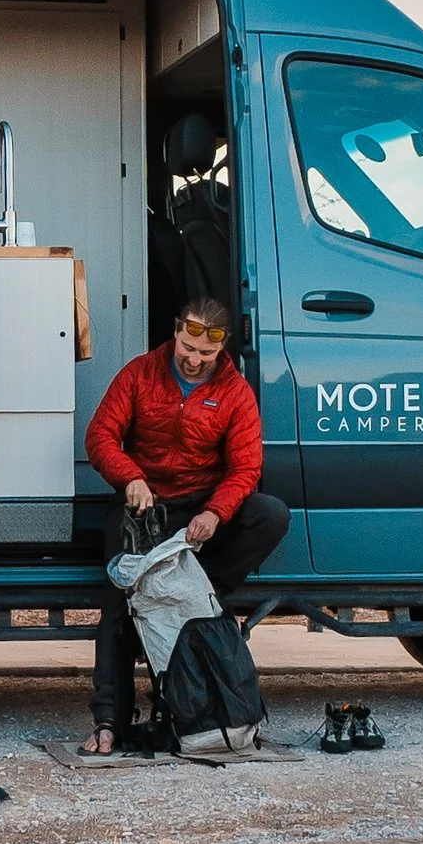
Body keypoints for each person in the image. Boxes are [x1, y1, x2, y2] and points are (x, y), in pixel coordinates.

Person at [80, 295, 289, 753]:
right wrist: (130, 476)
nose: (193, 361)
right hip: (143, 505)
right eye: (186, 350)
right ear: (176, 332)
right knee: (116, 604)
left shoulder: (235, 391)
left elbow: (246, 469)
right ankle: (108, 719)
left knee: (270, 513)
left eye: (205, 355)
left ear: (221, 349)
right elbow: (99, 435)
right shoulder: (139, 372)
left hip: (200, 509)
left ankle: (193, 596)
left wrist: (216, 512)